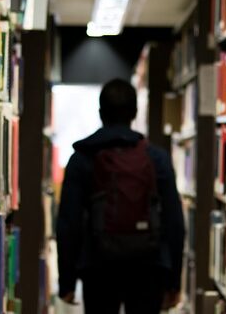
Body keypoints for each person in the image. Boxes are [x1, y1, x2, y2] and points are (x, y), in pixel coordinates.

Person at [57, 78, 186, 314]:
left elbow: (68, 223)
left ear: (100, 112)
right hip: (149, 266)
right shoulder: (156, 158)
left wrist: (67, 281)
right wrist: (173, 281)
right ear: (135, 112)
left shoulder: (82, 158)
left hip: (98, 267)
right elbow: (175, 222)